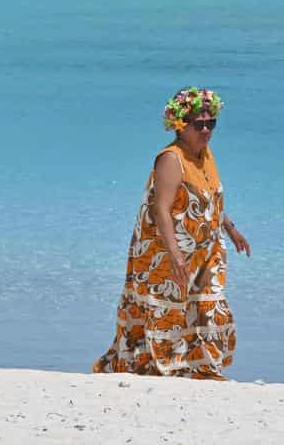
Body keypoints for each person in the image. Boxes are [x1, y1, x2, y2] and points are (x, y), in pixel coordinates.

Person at [93, 87, 251, 380]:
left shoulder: (204, 154)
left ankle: (199, 366)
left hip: (204, 252)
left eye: (211, 123)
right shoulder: (170, 159)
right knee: (166, 311)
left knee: (210, 307)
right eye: (198, 124)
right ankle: (161, 366)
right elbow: (161, 210)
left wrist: (231, 229)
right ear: (180, 125)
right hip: (166, 253)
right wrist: (176, 257)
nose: (206, 130)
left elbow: (208, 197)